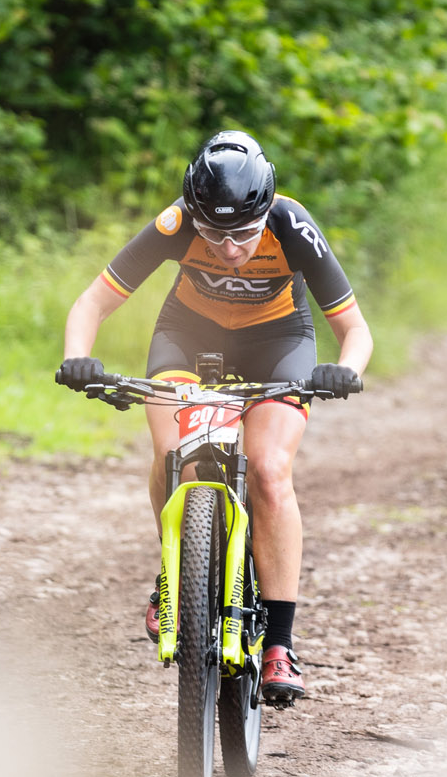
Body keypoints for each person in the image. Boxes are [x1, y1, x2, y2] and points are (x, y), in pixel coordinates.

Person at [57, 130, 371, 704]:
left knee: (269, 470)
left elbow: (355, 329)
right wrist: (77, 357)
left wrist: (345, 370)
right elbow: (92, 302)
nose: (228, 249)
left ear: (266, 212)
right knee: (172, 452)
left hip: (278, 341)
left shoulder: (292, 225)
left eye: (245, 234)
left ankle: (279, 645)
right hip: (188, 336)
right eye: (213, 234)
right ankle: (174, 577)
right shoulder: (176, 223)